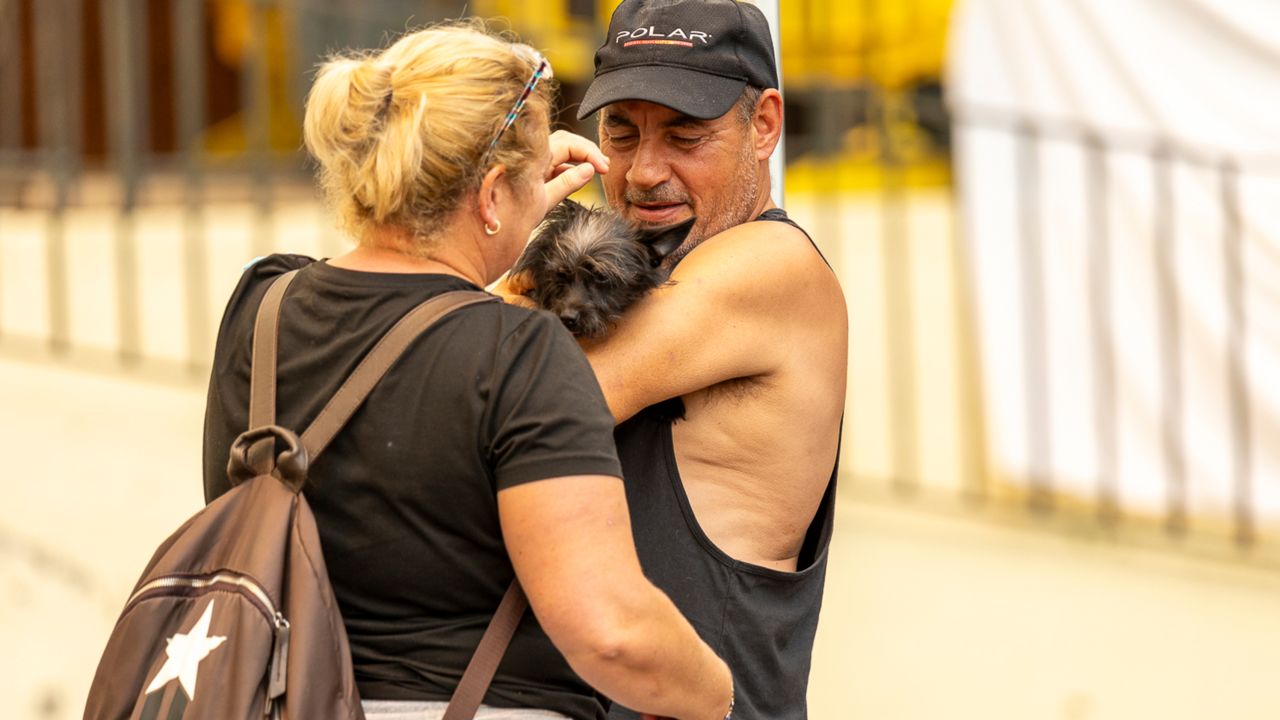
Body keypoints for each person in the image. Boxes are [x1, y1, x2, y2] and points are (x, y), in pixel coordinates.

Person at [201, 22, 733, 720]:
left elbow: (408, 325)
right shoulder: (520, 353)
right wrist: (719, 695)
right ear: (489, 195)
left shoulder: (260, 306)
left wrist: (497, 210)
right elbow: (611, 634)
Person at [546, 1, 849, 717]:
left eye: (686, 135)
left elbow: (510, 400)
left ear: (766, 125)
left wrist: (491, 227)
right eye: (620, 133)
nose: (645, 173)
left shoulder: (771, 266)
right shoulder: (630, 278)